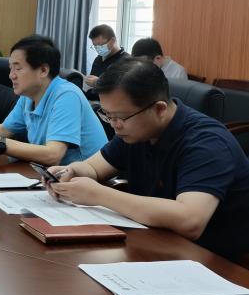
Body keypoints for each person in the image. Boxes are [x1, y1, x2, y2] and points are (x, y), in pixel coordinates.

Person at [48, 59, 249, 260]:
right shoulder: (135, 130)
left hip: (215, 260)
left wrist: (99, 195)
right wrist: (72, 171)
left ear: (159, 109)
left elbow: (190, 221)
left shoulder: (207, 143)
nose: (114, 125)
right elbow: (93, 168)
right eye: (108, 115)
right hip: (155, 240)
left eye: (120, 117)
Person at [0, 35, 107, 165]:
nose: (11, 75)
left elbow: (53, 155)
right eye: (11, 68)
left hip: (87, 180)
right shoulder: (28, 96)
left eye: (18, 69)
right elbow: (3, 130)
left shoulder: (67, 95)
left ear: (43, 70)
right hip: (52, 175)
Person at [84, 24, 129, 99]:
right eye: (95, 46)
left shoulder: (127, 61)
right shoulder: (98, 59)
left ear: (113, 40)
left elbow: (125, 91)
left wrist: (100, 83)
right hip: (94, 99)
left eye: (100, 45)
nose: (98, 49)